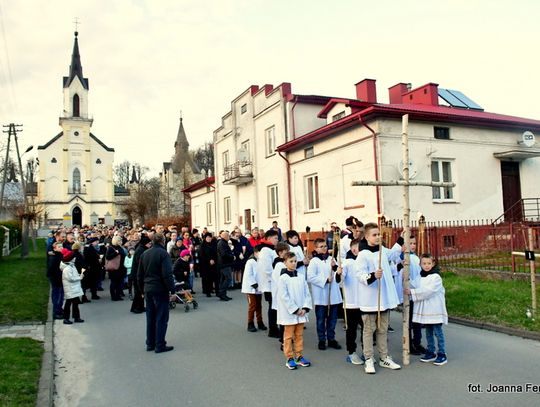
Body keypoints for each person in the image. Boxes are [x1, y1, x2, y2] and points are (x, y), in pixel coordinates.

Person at [356, 222, 402, 374]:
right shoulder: (363, 255)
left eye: (378, 234)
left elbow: (394, 254)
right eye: (374, 235)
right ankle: (369, 358)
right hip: (370, 299)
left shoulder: (382, 250)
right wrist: (372, 276)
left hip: (384, 298)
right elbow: (359, 274)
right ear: (367, 236)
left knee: (382, 329)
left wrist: (401, 238)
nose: (377, 237)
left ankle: (384, 357)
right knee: (369, 330)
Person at [405, 254, 448, 365]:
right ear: (420, 265)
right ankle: (431, 351)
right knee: (428, 332)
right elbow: (413, 285)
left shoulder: (436, 277)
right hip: (426, 311)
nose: (427, 266)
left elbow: (428, 291)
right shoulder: (420, 277)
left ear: (433, 264)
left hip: (434, 309)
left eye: (429, 263)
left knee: (437, 332)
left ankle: (442, 353)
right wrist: (404, 274)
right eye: (424, 263)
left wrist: (412, 292)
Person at [138, 233, 176, 353]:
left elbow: (139, 275)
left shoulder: (145, 254)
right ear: (163, 241)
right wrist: (172, 290)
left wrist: (141, 290)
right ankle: (160, 344)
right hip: (160, 289)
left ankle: (150, 343)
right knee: (161, 317)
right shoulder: (163, 254)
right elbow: (167, 274)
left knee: (150, 317)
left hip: (148, 288)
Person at [277, 252, 312, 370]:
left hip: (301, 312)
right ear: (285, 263)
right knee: (288, 336)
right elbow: (284, 296)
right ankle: (289, 357)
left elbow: (307, 293)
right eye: (291, 261)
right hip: (290, 313)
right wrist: (295, 309)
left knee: (299, 335)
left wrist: (305, 308)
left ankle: (299, 355)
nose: (294, 263)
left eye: (295, 261)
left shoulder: (301, 276)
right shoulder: (283, 278)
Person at [307, 238, 342, 351]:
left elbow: (338, 274)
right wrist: (325, 280)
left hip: (333, 294)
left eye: (325, 246)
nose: (324, 248)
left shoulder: (332, 259)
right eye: (321, 246)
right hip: (321, 295)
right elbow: (310, 277)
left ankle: (331, 338)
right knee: (321, 319)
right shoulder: (314, 261)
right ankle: (322, 339)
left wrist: (335, 268)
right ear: (316, 249)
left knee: (332, 319)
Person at [341, 238, 364, 365]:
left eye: (358, 247)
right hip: (351, 302)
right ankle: (352, 352)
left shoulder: (364, 261)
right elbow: (340, 278)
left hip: (364, 302)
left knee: (366, 329)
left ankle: (367, 351)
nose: (356, 249)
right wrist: (339, 273)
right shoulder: (347, 262)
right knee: (352, 329)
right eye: (353, 247)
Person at [256, 230, 279, 337]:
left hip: (273, 283)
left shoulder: (270, 249)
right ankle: (273, 329)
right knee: (272, 306)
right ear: (268, 238)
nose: (277, 240)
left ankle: (274, 327)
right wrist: (276, 277)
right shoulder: (265, 250)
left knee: (274, 305)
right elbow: (267, 269)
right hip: (269, 284)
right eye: (275, 238)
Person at [241, 246, 266, 332]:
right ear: (256, 252)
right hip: (250, 288)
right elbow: (248, 274)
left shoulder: (261, 261)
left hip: (259, 287)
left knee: (259, 305)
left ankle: (260, 322)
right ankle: (250, 323)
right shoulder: (250, 261)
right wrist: (254, 284)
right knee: (253, 306)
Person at [60, 249, 84, 324]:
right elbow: (70, 278)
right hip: (70, 288)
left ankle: (76, 317)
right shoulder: (67, 268)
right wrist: (79, 278)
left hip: (74, 288)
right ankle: (66, 318)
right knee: (68, 303)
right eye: (73, 257)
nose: (75, 258)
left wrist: (79, 275)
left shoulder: (72, 266)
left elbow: (73, 276)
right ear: (70, 259)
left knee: (75, 303)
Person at [130, 234, 152, 314]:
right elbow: (140, 262)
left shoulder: (141, 248)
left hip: (138, 273)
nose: (150, 245)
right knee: (138, 292)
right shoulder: (140, 250)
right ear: (145, 243)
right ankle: (137, 307)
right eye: (149, 244)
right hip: (137, 274)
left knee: (140, 291)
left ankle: (140, 306)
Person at [105, 236, 126, 301]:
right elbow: (108, 257)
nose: (121, 242)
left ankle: (118, 295)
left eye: (121, 241)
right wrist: (115, 253)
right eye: (120, 241)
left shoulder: (120, 248)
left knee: (120, 283)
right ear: (116, 241)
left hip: (121, 267)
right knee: (114, 282)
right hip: (113, 268)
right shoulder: (111, 248)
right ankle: (113, 296)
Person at [47, 241, 65, 319]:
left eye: (62, 246)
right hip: (56, 279)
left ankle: (59, 309)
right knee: (57, 296)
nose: (61, 248)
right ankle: (56, 312)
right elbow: (51, 270)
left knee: (61, 295)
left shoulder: (61, 255)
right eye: (59, 247)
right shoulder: (54, 257)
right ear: (55, 248)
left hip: (61, 279)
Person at [216, 230, 235, 301]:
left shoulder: (223, 242)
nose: (229, 237)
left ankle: (223, 294)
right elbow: (223, 254)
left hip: (224, 264)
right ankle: (222, 293)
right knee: (227, 279)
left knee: (224, 279)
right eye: (228, 236)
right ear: (225, 236)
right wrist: (232, 256)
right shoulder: (222, 243)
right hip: (224, 264)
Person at [200, 233, 218, 297]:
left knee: (215, 278)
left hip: (214, 263)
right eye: (207, 237)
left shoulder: (214, 244)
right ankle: (208, 291)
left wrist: (213, 260)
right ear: (205, 238)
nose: (209, 239)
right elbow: (202, 255)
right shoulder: (203, 245)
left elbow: (216, 253)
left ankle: (216, 291)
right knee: (207, 278)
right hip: (206, 264)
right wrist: (209, 260)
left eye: (210, 237)